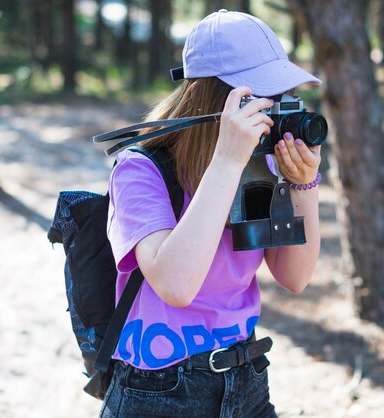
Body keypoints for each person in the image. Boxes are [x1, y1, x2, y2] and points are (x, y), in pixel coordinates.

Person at [99, 9, 323, 418]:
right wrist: (226, 162)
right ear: (216, 100)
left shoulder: (259, 163)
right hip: (160, 388)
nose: (274, 108)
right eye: (262, 96)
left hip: (246, 374)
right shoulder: (141, 170)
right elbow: (176, 285)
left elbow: (295, 277)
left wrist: (304, 182)